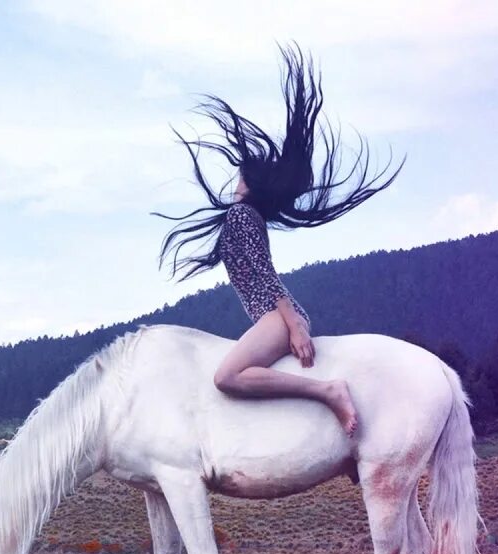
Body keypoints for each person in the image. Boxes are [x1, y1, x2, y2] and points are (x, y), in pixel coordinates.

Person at [151, 40, 405, 438]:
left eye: (239, 177)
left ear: (248, 185)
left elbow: (266, 276)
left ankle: (329, 392)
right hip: (275, 315)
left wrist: (295, 327)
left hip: (277, 315)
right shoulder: (246, 218)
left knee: (227, 376)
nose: (234, 182)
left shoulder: (240, 215)